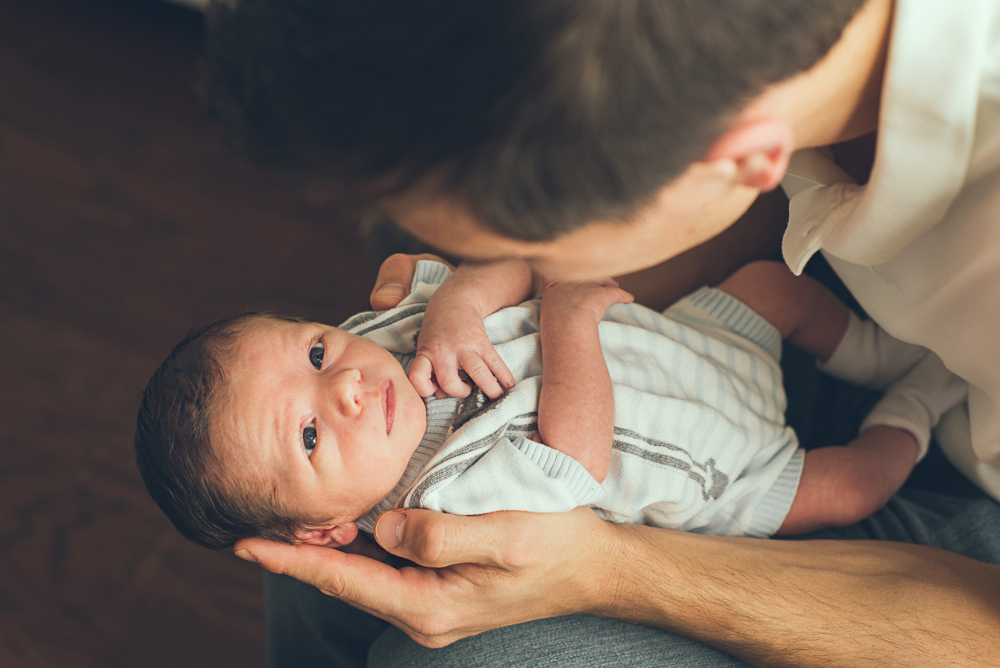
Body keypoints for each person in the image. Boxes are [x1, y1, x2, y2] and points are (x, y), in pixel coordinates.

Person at [203, 0, 1000, 665]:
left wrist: (606, 570)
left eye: (525, 247)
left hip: (944, 557)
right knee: (302, 535)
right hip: (785, 339)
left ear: (746, 158)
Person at [135, 258, 949, 552]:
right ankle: (930, 397)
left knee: (774, 290)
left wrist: (456, 302)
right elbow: (577, 457)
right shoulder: (442, 499)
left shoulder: (384, 336)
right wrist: (566, 326)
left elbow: (511, 268)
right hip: (715, 466)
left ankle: (897, 357)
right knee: (851, 487)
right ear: (325, 530)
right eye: (309, 435)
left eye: (314, 352)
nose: (345, 384)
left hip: (693, 346)